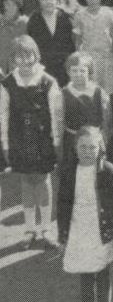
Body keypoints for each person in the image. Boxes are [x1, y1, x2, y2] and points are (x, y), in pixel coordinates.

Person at [57, 126, 113, 302]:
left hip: (102, 231)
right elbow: (63, 205)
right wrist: (63, 236)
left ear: (100, 148)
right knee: (85, 277)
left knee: (102, 276)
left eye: (92, 147)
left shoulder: (108, 171)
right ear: (75, 148)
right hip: (79, 229)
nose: (88, 151)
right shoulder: (69, 172)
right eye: (83, 147)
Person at [0, 34, 63, 249]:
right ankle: (29, 229)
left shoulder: (48, 82)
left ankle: (45, 228)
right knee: (26, 182)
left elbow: (56, 115)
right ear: (13, 59)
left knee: (43, 180)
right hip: (19, 139)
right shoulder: (7, 84)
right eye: (20, 57)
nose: (25, 62)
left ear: (36, 55)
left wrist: (56, 142)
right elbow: (3, 115)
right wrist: (5, 144)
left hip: (43, 139)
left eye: (29, 56)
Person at [61, 51, 109, 165]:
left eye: (82, 71)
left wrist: (103, 141)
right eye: (74, 71)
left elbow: (106, 120)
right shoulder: (63, 93)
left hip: (93, 143)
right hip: (72, 142)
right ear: (68, 72)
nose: (78, 74)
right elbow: (60, 121)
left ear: (89, 72)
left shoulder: (98, 92)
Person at [73, 0, 113, 94]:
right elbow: (77, 39)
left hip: (106, 56)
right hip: (89, 57)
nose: (92, 0)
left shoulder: (108, 14)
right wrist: (79, 56)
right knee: (91, 88)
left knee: (108, 89)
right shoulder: (80, 15)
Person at [28, 0, 76, 87]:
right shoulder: (34, 20)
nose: (48, 2)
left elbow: (73, 43)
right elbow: (31, 45)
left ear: (57, 1)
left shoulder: (66, 18)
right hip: (43, 66)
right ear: (39, 1)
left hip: (64, 66)